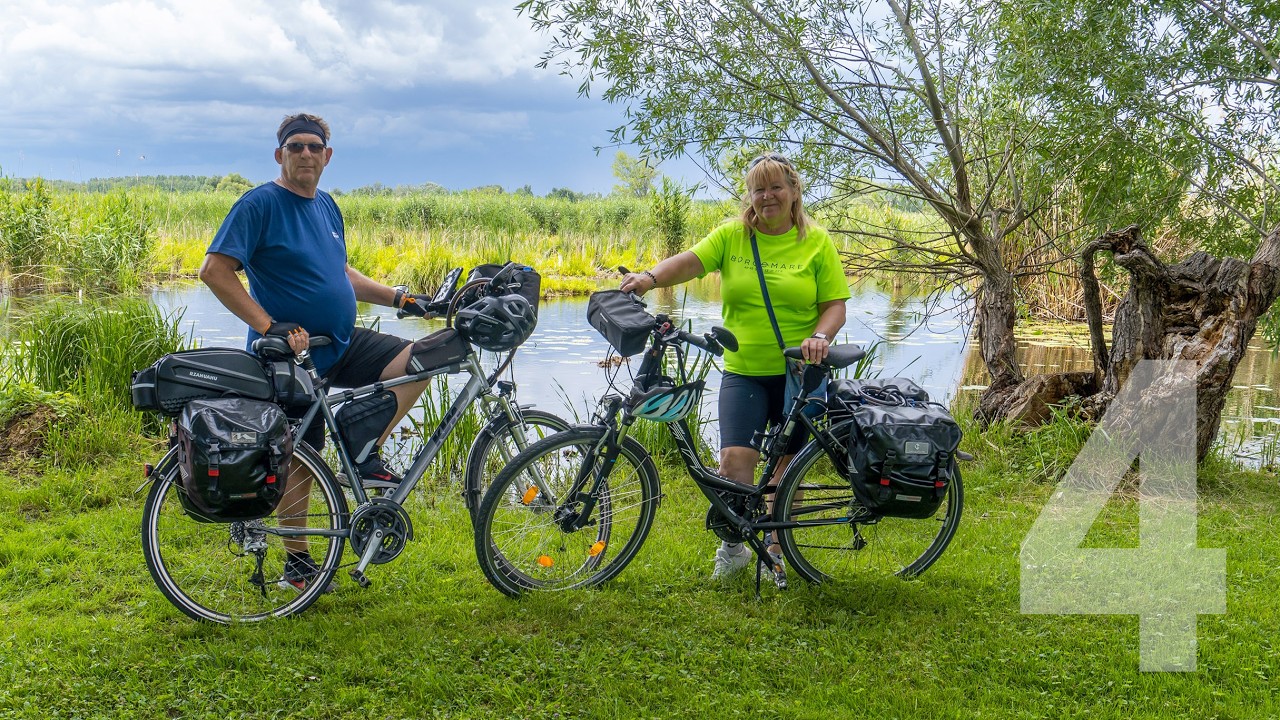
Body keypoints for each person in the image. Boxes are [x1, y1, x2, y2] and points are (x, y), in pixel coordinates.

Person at [200, 113, 439, 591]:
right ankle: (299, 566)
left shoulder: (327, 206)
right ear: (280, 155)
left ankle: (364, 448)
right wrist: (269, 326)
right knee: (300, 459)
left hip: (341, 342)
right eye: (296, 147)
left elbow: (341, 273)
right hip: (289, 356)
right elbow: (215, 271)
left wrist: (400, 298)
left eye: (314, 147)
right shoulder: (259, 205)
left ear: (328, 156)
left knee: (419, 360)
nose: (305, 154)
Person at [620, 151, 849, 585]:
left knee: (785, 468)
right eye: (759, 189)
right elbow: (690, 261)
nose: (768, 196)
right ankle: (734, 548)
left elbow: (835, 306)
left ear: (794, 191)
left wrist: (820, 337)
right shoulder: (732, 236)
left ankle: (778, 551)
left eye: (776, 187)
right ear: (750, 195)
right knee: (733, 460)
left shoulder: (816, 242)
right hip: (743, 368)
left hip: (799, 374)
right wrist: (649, 277)